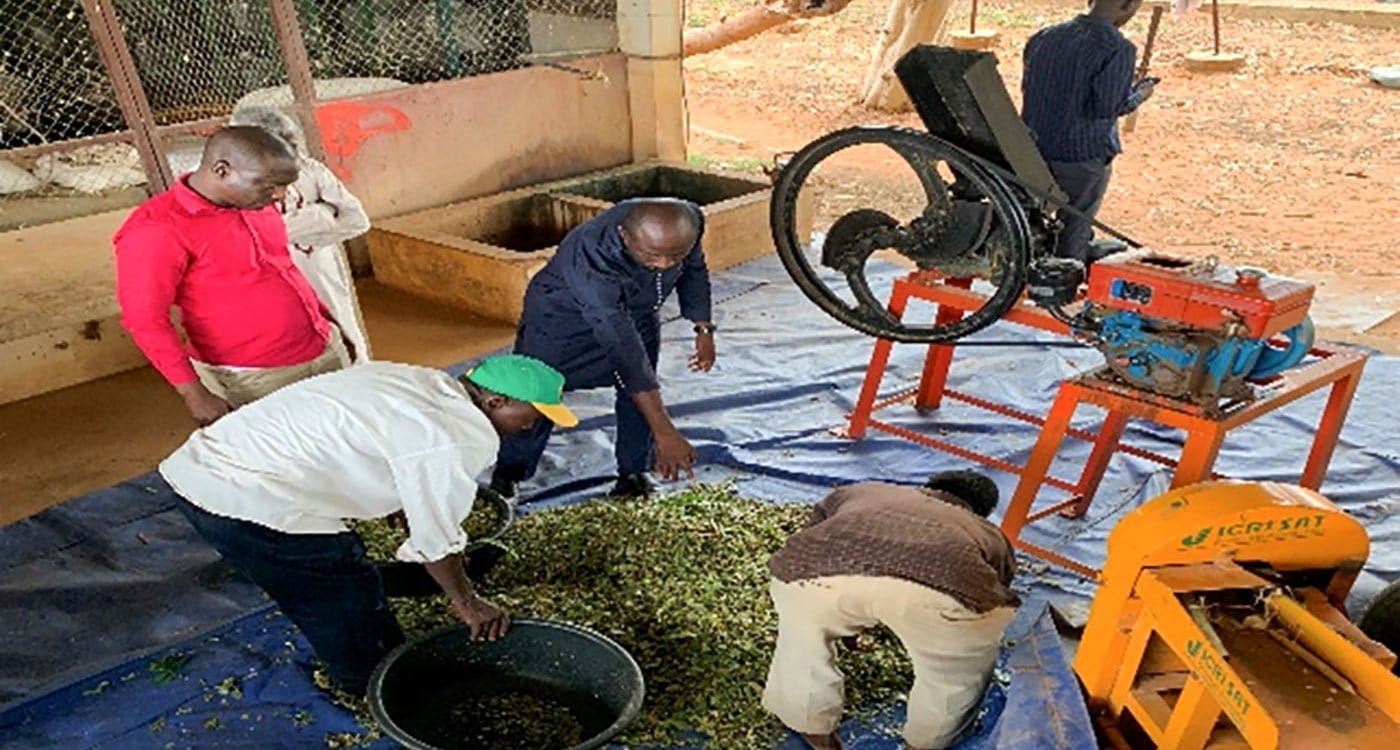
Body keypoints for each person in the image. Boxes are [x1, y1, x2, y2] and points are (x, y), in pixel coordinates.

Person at [158, 355, 579, 694]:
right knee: (340, 590)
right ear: (496, 403)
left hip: (209, 465)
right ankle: (370, 684)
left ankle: (370, 660)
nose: (532, 427)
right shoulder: (458, 435)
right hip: (242, 498)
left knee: (332, 572)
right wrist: (467, 601)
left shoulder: (419, 379)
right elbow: (436, 542)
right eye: (533, 415)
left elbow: (382, 442)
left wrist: (402, 495)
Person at [762, 471, 1019, 750]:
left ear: (927, 487)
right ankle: (926, 743)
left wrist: (849, 622)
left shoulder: (864, 489)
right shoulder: (987, 532)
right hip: (938, 593)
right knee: (954, 673)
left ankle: (815, 734)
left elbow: (815, 531)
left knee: (803, 646)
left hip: (808, 576)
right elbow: (995, 587)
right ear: (982, 511)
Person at [115, 126, 349, 426]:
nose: (279, 196)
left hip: (321, 347)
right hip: (254, 375)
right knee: (284, 453)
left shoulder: (253, 201)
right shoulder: (156, 229)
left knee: (341, 438)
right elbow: (145, 319)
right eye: (269, 186)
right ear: (222, 171)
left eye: (284, 186)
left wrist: (330, 326)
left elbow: (285, 270)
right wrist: (194, 393)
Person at [491, 198, 716, 500]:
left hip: (636, 312)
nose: (664, 265)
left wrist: (703, 328)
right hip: (562, 318)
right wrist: (665, 431)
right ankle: (509, 475)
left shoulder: (688, 221)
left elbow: (695, 269)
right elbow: (623, 347)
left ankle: (633, 474)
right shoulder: (591, 253)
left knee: (637, 389)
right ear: (625, 237)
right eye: (652, 256)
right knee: (536, 391)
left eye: (675, 255)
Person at [228, 106, 374, 362]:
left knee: (345, 333)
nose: (295, 150)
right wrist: (319, 216)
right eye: (286, 143)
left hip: (320, 267)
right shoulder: (234, 185)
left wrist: (289, 233)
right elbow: (245, 239)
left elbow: (358, 221)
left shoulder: (311, 170)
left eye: (293, 141)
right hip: (270, 279)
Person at [1021, 0, 1155, 264]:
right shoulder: (1117, 48)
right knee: (1075, 222)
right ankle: (1067, 272)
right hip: (1081, 154)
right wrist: (1139, 93)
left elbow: (1031, 88)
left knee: (1033, 215)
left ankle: (1038, 258)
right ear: (1128, 5)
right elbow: (1108, 107)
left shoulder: (1044, 36)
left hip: (1031, 148)